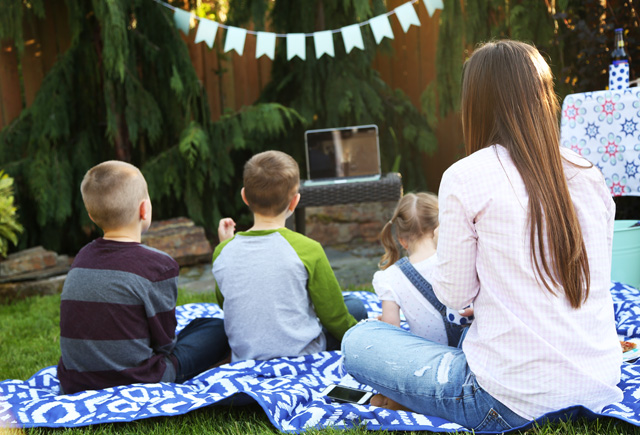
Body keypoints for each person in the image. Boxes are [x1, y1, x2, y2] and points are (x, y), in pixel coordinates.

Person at [342, 40, 623, 432]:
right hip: (599, 386)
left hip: (505, 400)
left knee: (360, 340)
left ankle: (409, 400)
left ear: (477, 103)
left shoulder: (465, 176)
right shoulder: (589, 173)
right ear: (545, 96)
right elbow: (596, 276)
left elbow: (454, 297)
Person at [57, 161, 229, 395]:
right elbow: (166, 343)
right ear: (143, 209)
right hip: (141, 379)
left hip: (75, 381)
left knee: (199, 325)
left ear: (91, 215)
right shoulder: (159, 265)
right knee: (218, 328)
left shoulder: (81, 258)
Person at [212, 150, 367, 362]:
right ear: (295, 202)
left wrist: (225, 244)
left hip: (246, 357)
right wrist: (365, 339)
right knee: (355, 306)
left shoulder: (223, 252)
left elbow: (225, 303)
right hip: (302, 354)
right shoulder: (308, 249)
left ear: (244, 197)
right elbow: (333, 316)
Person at [374, 192, 471, 345]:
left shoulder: (389, 278)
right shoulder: (458, 259)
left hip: (432, 360)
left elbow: (391, 331)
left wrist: (382, 325)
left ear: (402, 240)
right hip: (473, 353)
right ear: (440, 229)